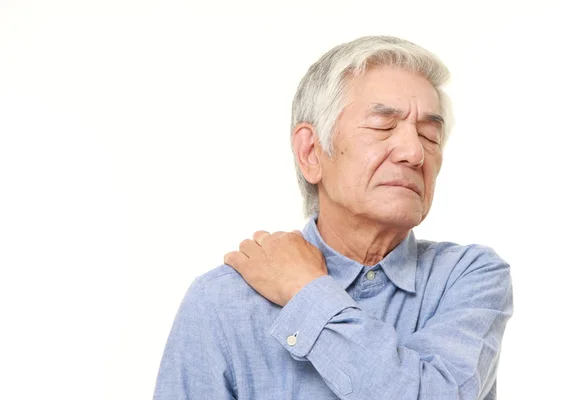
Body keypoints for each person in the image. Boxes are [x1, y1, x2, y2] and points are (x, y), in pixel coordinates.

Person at [153, 35, 513, 400]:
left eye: (429, 134)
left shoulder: (470, 277)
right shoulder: (221, 301)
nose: (414, 152)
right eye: (383, 126)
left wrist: (307, 291)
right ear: (311, 152)